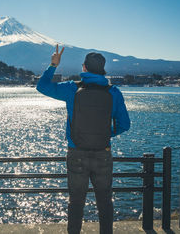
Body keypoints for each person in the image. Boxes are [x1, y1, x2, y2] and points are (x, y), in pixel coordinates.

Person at [36, 45, 130, 234]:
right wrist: (106, 133)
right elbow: (124, 125)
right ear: (103, 69)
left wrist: (53, 65)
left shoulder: (72, 89)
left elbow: (42, 86)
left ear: (84, 68)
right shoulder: (114, 92)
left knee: (76, 202)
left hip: (76, 152)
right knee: (104, 201)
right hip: (103, 153)